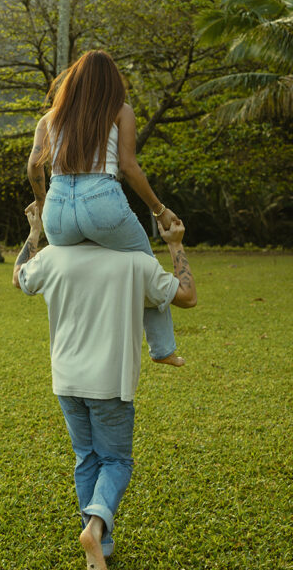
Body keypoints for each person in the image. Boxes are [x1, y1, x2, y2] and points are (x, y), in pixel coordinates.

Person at [13, 205, 197, 570]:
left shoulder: (52, 256)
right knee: (116, 461)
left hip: (66, 381)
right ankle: (95, 527)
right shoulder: (134, 262)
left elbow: (19, 278)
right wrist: (175, 245)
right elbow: (187, 295)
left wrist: (34, 232)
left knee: (87, 458)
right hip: (110, 383)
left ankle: (102, 546)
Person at [27, 49, 183, 366]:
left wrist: (43, 204)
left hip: (57, 204)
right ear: (111, 82)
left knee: (71, 271)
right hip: (102, 198)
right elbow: (129, 167)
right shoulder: (120, 111)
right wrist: (158, 208)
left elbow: (33, 166)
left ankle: (74, 346)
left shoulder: (49, 118)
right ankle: (163, 348)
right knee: (145, 266)